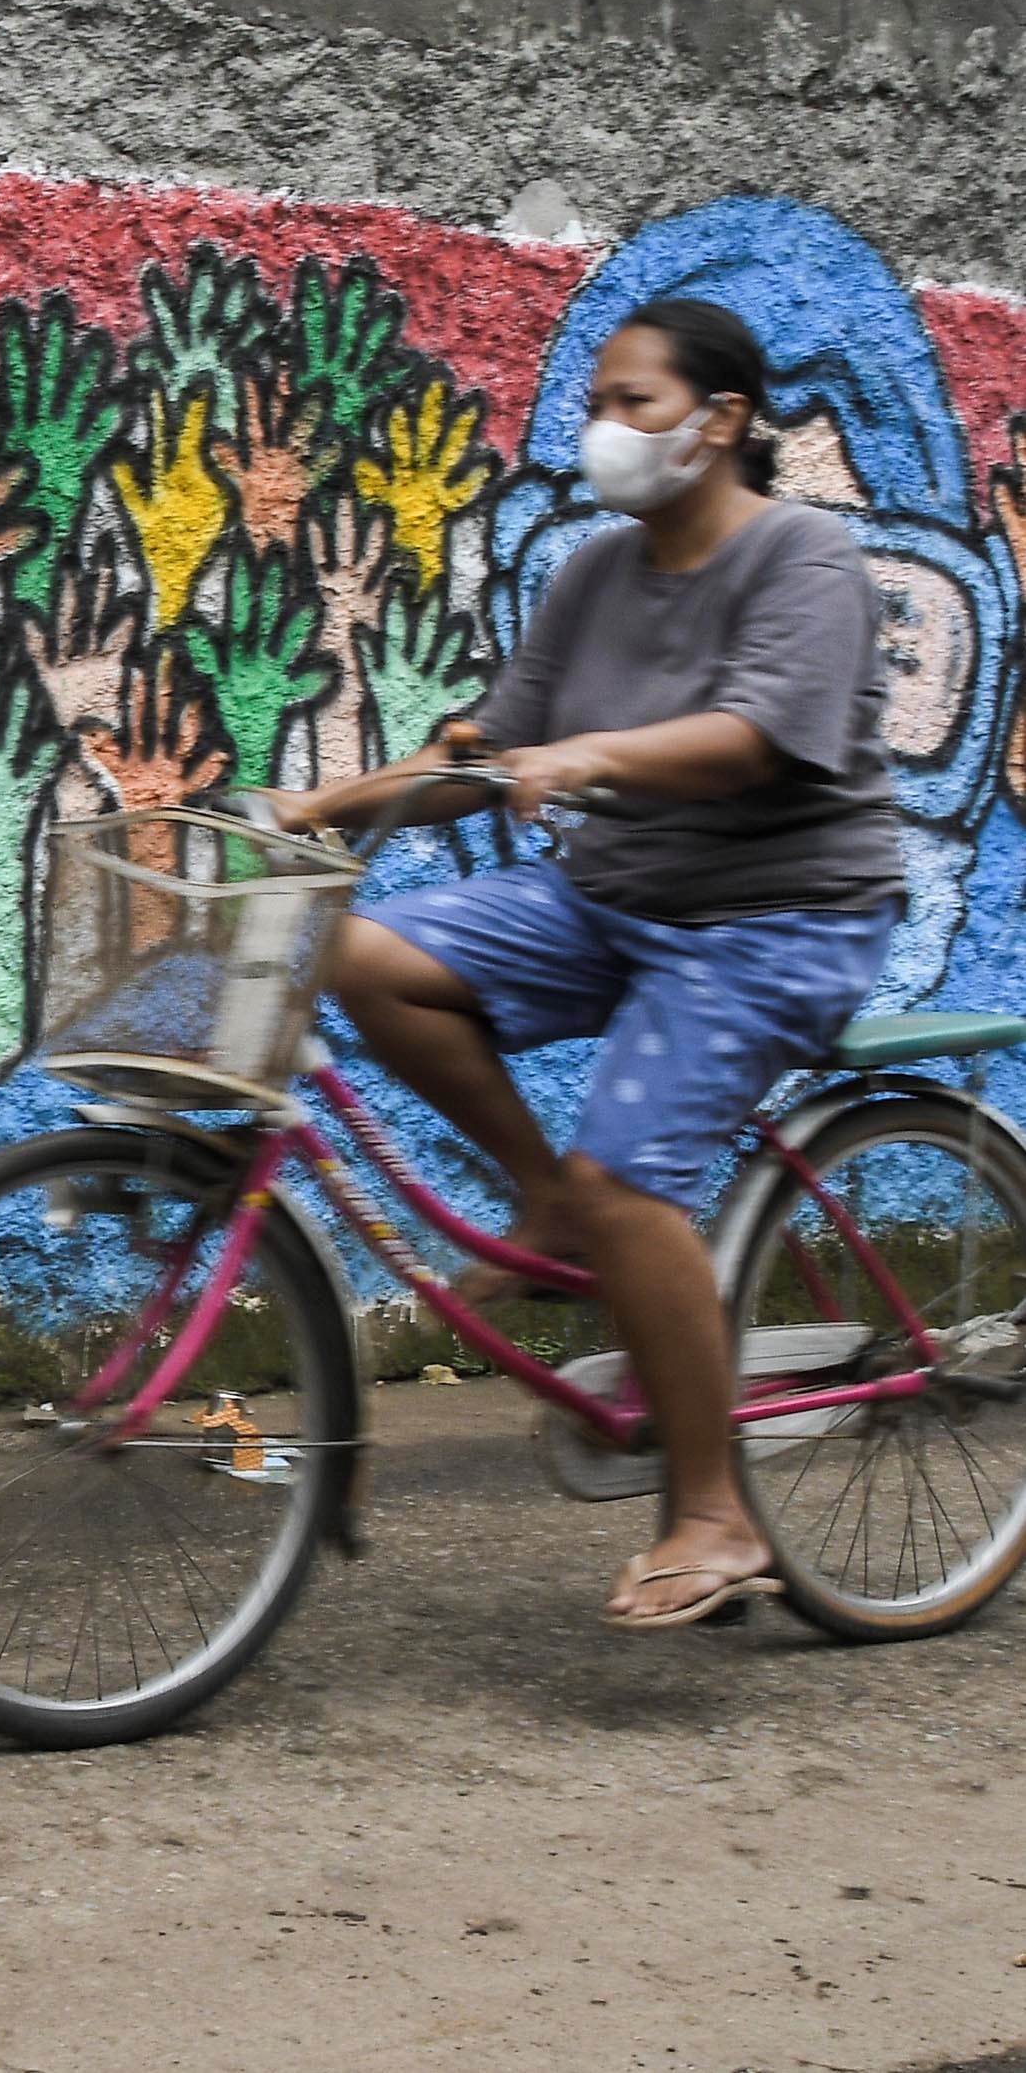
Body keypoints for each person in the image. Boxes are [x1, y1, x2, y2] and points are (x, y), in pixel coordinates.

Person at [263, 296, 904, 1630]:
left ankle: (716, 1515)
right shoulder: (595, 574)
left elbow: (751, 739)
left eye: (635, 404)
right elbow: (489, 752)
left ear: (720, 422)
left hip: (778, 918)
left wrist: (591, 755)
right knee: (360, 952)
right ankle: (544, 1197)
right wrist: (323, 805)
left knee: (632, 1180)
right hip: (613, 901)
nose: (603, 430)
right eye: (597, 405)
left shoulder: (805, 558)